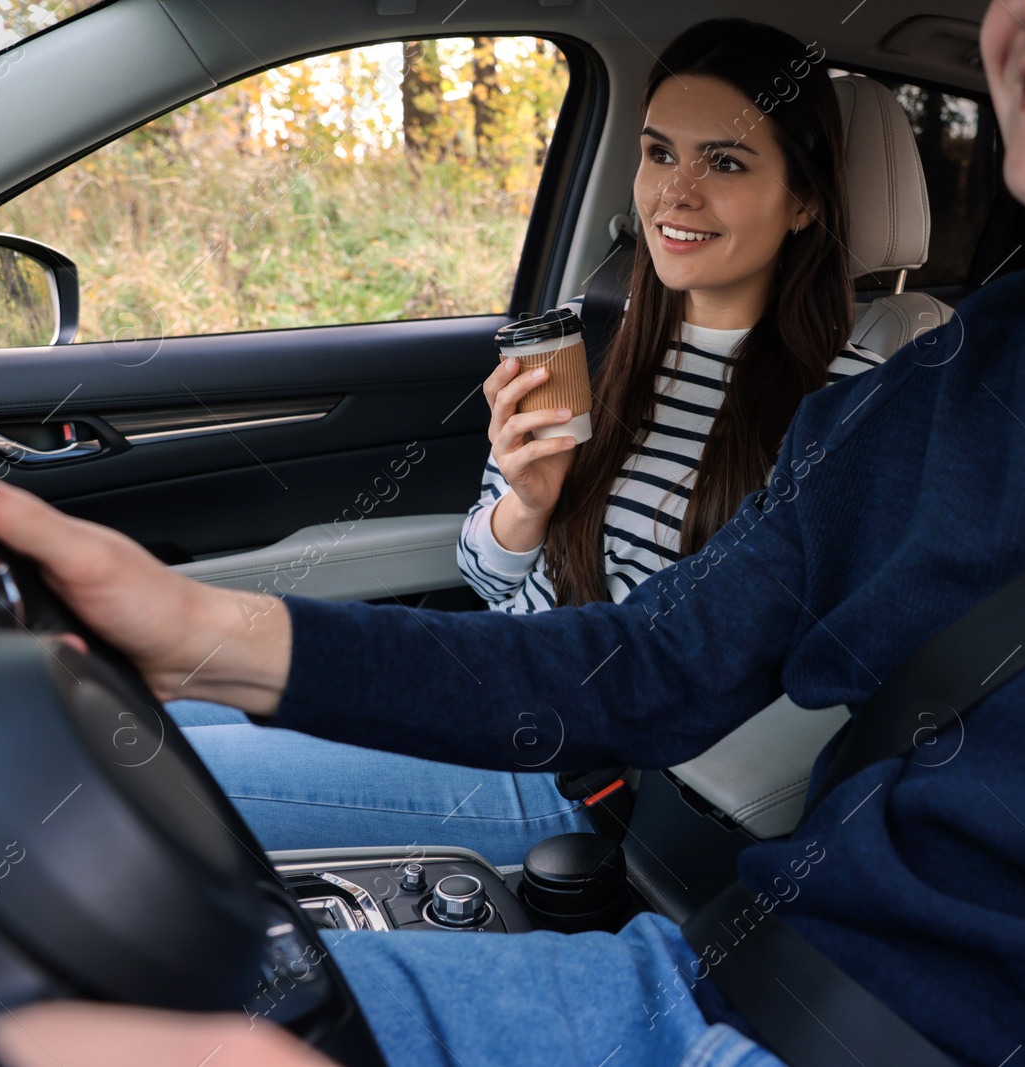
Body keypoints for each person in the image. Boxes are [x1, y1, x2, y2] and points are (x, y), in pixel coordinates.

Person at [0, 0, 1025, 1065]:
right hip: (691, 974)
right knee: (17, 987)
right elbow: (648, 667)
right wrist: (201, 628)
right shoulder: (954, 374)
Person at [163, 18, 883, 867]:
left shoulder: (855, 398)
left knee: (146, 777)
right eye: (659, 154)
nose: (674, 194)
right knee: (146, 714)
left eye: (723, 163)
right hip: (488, 675)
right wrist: (525, 505)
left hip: (583, 767)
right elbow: (485, 574)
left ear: (803, 200)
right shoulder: (591, 334)